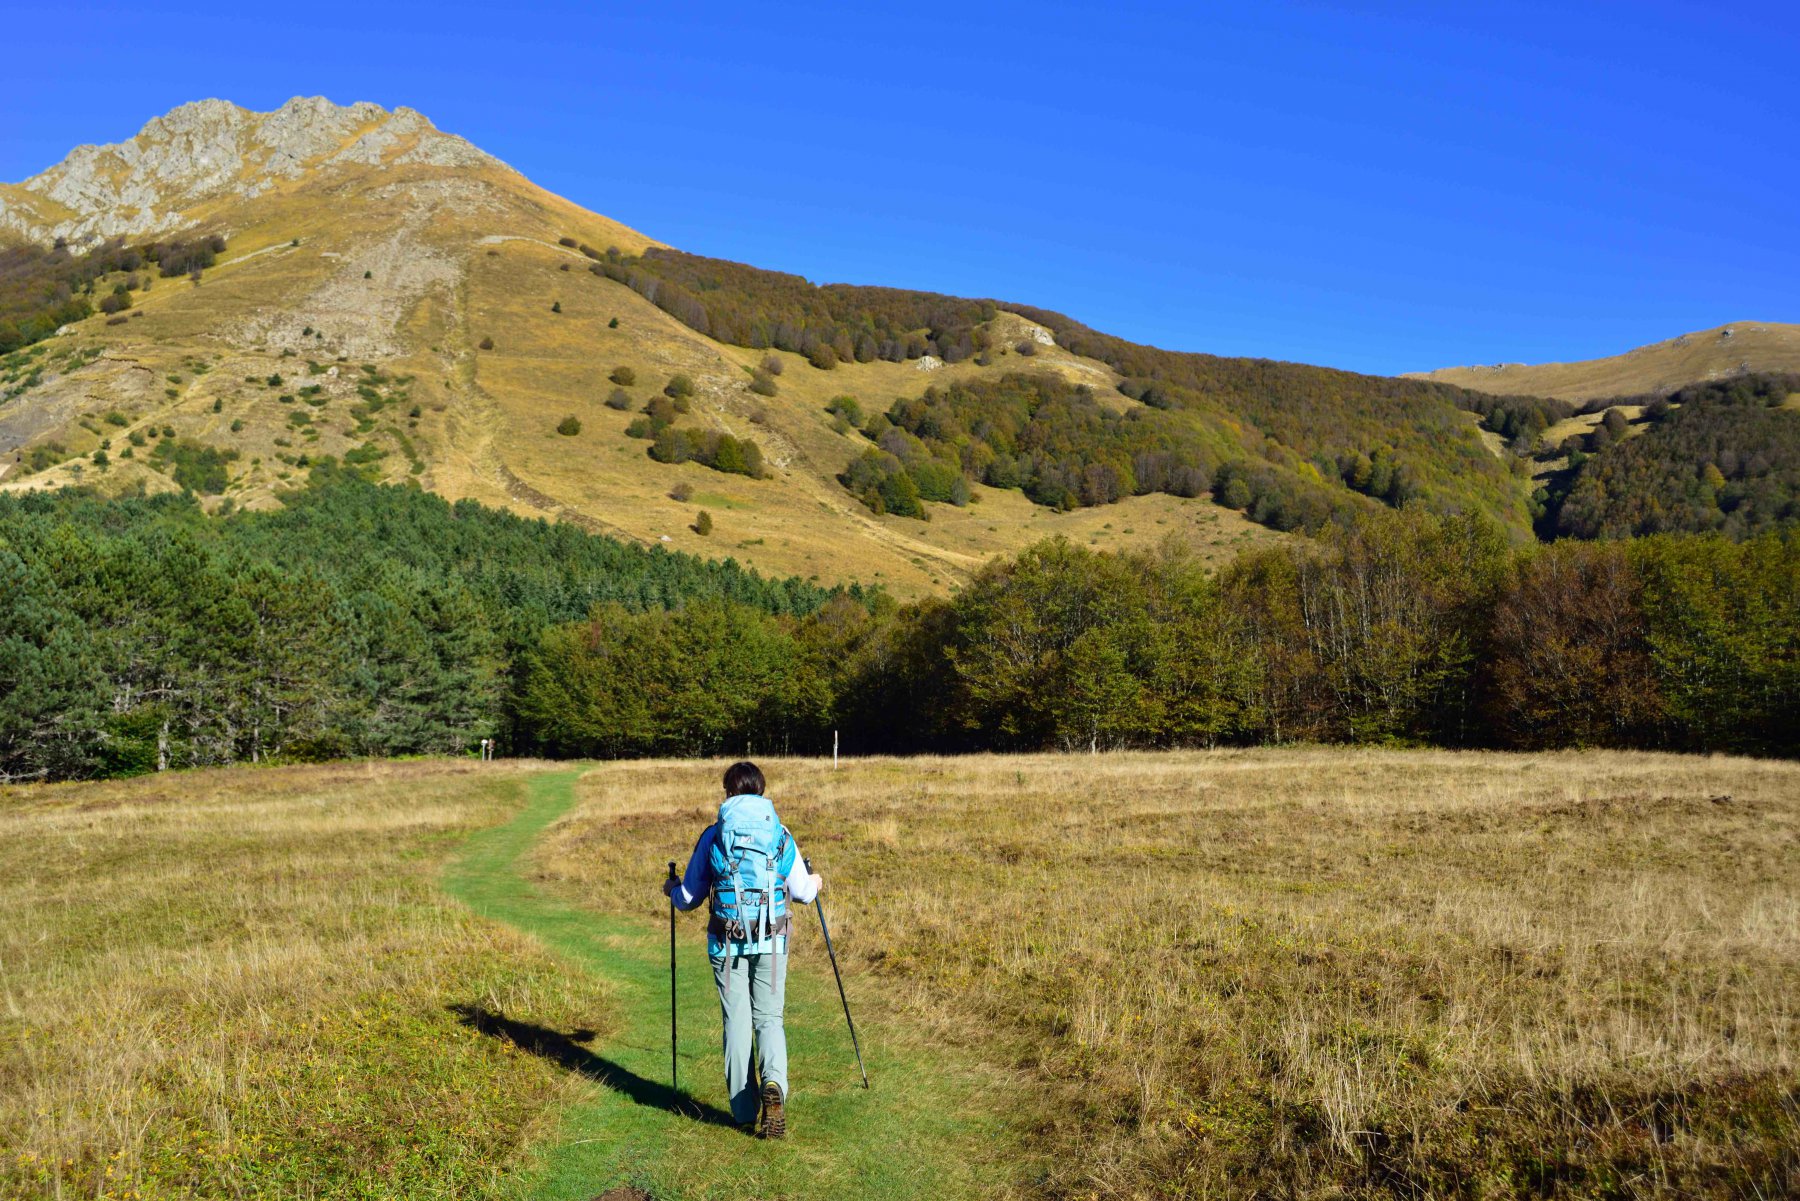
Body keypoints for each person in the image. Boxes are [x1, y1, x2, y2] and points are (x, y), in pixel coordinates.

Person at [664, 760, 822, 1138]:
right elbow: (801, 892)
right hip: (772, 941)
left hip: (726, 942)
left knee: (736, 1022)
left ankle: (743, 1112)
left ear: (728, 792)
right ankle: (775, 1088)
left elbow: (688, 898)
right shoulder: (780, 834)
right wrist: (815, 880)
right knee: (769, 1019)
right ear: (762, 791)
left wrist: (671, 891)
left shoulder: (715, 835)